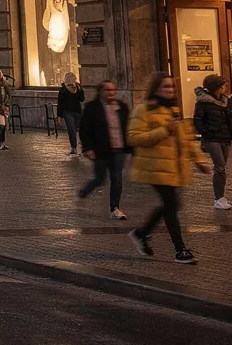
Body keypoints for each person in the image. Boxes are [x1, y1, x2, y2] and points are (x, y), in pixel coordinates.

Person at [127, 74, 208, 264]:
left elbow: (185, 139)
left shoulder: (173, 111)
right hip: (153, 167)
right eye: (165, 87)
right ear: (156, 89)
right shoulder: (143, 110)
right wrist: (165, 130)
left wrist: (199, 160)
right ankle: (180, 250)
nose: (170, 91)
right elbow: (133, 138)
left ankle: (141, 233)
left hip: (172, 167)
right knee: (171, 205)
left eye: (172, 87)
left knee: (172, 205)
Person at [77, 80, 132, 219]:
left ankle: (115, 208)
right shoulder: (92, 107)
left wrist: (131, 147)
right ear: (101, 92)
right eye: (107, 90)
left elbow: (127, 127)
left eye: (113, 90)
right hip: (101, 150)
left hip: (118, 149)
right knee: (100, 179)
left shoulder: (122, 107)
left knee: (117, 179)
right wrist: (88, 148)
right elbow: (84, 129)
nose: (111, 93)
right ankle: (84, 192)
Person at [192, 73, 232, 211]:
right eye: (223, 86)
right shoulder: (203, 101)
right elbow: (197, 120)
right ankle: (218, 198)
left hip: (225, 138)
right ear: (216, 87)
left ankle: (220, 197)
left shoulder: (225, 101)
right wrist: (206, 133)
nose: (225, 88)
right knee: (220, 166)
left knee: (222, 167)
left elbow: (230, 119)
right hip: (211, 139)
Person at [56, 73, 85, 157]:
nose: (72, 79)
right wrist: (59, 116)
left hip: (77, 111)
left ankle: (83, 146)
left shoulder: (77, 87)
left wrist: (78, 89)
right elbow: (60, 104)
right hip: (67, 112)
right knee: (71, 128)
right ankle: (74, 147)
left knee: (78, 129)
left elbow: (82, 99)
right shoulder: (63, 90)